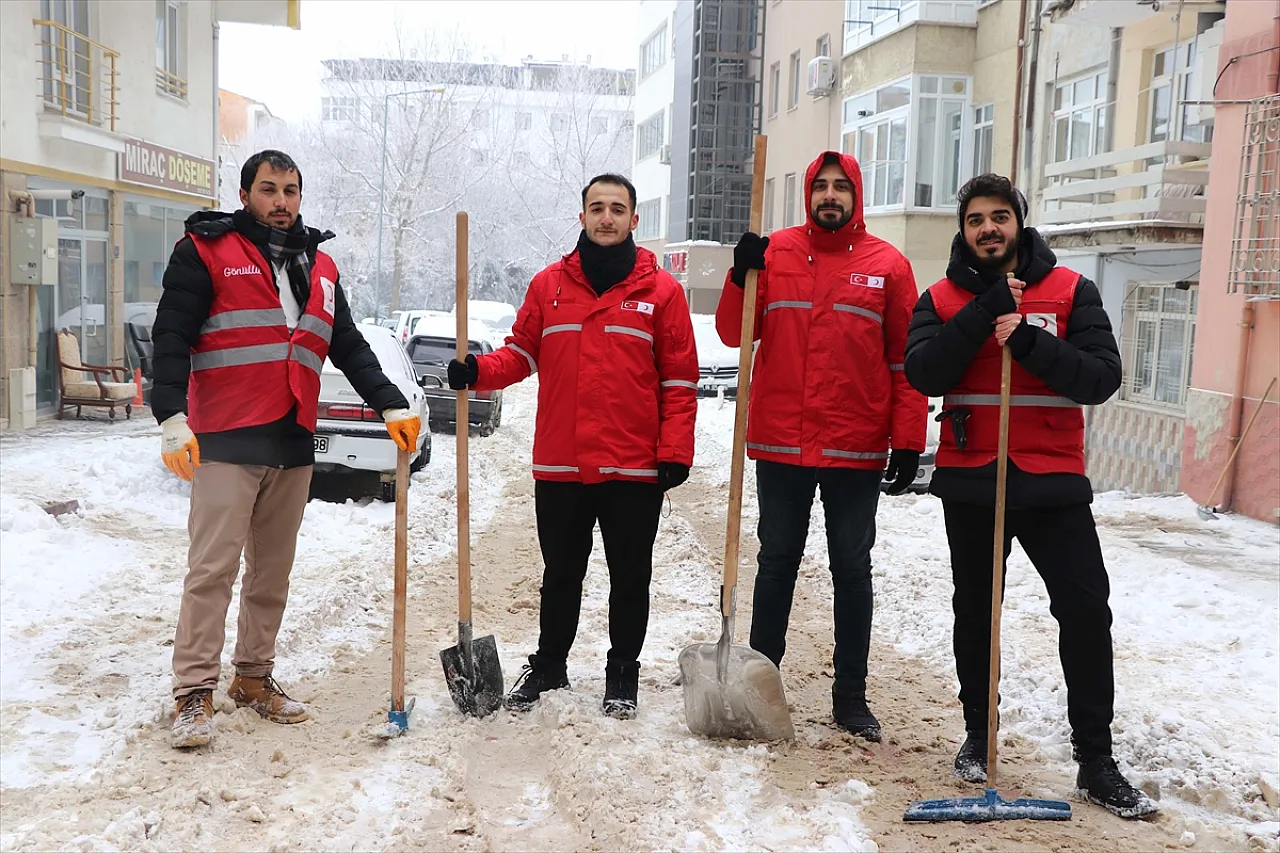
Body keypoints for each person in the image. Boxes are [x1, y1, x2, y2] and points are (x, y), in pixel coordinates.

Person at [903, 173, 1156, 818]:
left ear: (1019, 222)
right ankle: (977, 737)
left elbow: (1100, 378)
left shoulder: (1072, 290)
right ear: (963, 231)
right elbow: (924, 371)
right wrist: (986, 313)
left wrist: (1028, 338)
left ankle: (1096, 760)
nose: (988, 229)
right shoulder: (939, 297)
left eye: (999, 217)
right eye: (975, 220)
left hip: (1052, 483)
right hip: (973, 480)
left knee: (1084, 610)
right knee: (976, 613)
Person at [152, 149, 421, 749]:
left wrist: (391, 403)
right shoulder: (205, 250)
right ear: (246, 194)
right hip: (224, 436)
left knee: (271, 573)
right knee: (212, 573)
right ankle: (193, 692)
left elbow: (346, 344)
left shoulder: (320, 267)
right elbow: (169, 334)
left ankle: (252, 678)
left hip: (292, 437)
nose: (280, 202)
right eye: (269, 189)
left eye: (290, 191)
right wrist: (171, 415)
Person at [447, 173, 698, 719]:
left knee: (631, 576)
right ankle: (550, 665)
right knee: (560, 573)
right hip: (561, 462)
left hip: (633, 466)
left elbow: (679, 381)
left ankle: (622, 673)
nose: (606, 217)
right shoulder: (548, 287)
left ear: (634, 219)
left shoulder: (663, 293)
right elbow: (520, 354)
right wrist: (477, 371)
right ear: (581, 217)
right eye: (596, 207)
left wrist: (675, 449)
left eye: (617, 208)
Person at [717, 151, 927, 742]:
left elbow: (904, 360)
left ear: (856, 196)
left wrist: (908, 438)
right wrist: (741, 275)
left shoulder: (889, 265)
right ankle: (764, 683)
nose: (829, 196)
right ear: (808, 194)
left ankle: (850, 695)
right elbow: (735, 333)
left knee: (851, 569)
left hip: (854, 444)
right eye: (820, 187)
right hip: (781, 440)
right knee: (776, 562)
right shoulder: (775, 253)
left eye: (841, 187)